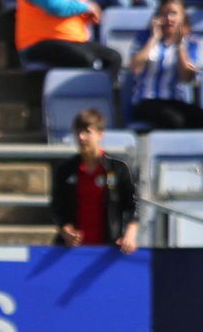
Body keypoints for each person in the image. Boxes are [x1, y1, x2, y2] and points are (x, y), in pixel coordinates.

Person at [50, 107, 138, 251]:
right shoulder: (65, 170)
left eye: (87, 131)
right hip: (71, 251)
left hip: (108, 250)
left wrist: (130, 234)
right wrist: (66, 230)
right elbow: (57, 208)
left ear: (100, 134)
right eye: (78, 131)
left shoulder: (118, 168)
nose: (81, 137)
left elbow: (133, 205)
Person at [126, 0, 203, 127]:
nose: (169, 19)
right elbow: (134, 67)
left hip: (175, 101)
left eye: (173, 14)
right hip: (147, 101)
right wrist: (154, 38)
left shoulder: (191, 42)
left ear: (183, 16)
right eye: (164, 14)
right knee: (174, 120)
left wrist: (180, 47)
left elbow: (187, 77)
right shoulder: (143, 38)